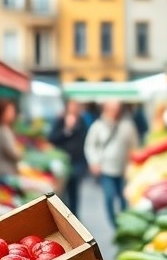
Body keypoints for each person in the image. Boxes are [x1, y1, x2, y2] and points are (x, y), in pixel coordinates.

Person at [84, 100, 140, 228]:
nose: (114, 111)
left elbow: (134, 146)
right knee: (109, 197)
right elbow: (90, 146)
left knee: (124, 197)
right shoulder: (98, 126)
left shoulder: (127, 126)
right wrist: (94, 162)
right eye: (111, 108)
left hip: (123, 169)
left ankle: (125, 222)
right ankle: (114, 224)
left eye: (116, 108)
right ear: (105, 108)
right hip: (106, 169)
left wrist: (132, 165)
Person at [48, 98, 90, 215]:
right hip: (63, 162)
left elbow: (86, 139)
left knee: (74, 191)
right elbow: (52, 138)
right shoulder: (61, 120)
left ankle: (74, 217)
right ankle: (63, 216)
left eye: (77, 106)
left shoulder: (82, 122)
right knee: (62, 193)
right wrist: (67, 130)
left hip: (77, 162)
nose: (75, 109)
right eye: (72, 106)